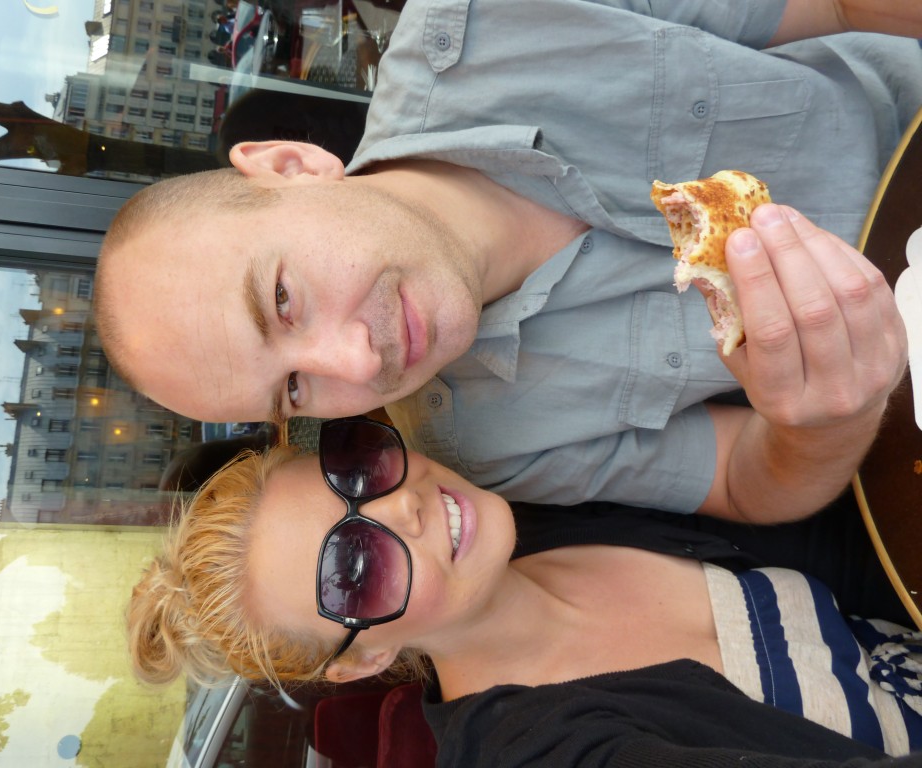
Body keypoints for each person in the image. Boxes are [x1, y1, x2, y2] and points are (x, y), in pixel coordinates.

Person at [95, 0, 918, 525]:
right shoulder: (478, 443)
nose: (358, 364)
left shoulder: (489, 17)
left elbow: (840, 3)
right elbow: (745, 481)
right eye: (295, 390)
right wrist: (823, 423)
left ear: (292, 166)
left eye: (282, 300)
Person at [127, 417, 922, 767]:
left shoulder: (543, 512)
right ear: (363, 659)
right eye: (355, 568)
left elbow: (847, 546)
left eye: (359, 472)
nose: (401, 506)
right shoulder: (536, 752)